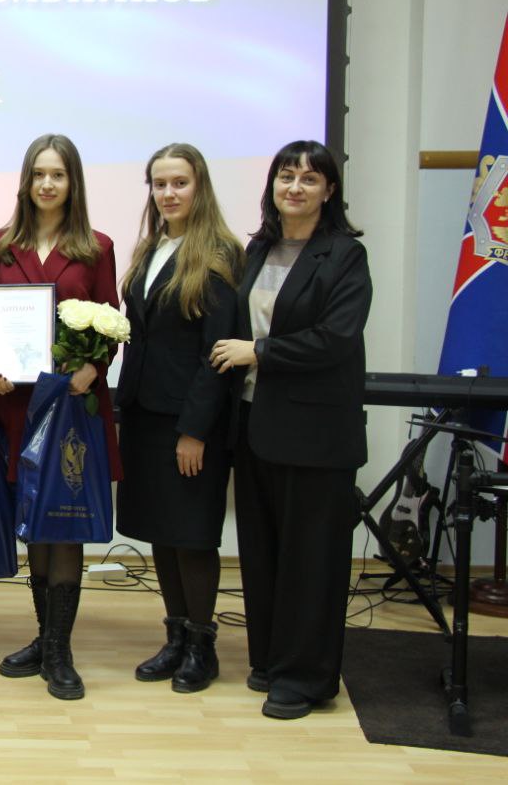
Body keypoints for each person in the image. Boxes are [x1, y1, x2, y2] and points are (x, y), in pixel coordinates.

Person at [210, 140, 371, 720]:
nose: (295, 187)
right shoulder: (259, 248)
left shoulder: (345, 255)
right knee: (263, 550)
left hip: (315, 433)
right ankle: (272, 659)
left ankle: (306, 678)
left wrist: (259, 351)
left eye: (308, 178)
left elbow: (335, 339)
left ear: (329, 190)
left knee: (311, 558)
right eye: (286, 176)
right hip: (255, 423)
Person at [0, 133, 121, 700]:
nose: (47, 184)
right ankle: (45, 639)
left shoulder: (96, 247)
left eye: (57, 175)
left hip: (71, 408)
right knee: (33, 523)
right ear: (25, 181)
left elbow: (111, 322)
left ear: (73, 183)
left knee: (64, 523)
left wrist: (94, 368)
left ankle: (61, 653)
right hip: (17, 407)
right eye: (38, 174)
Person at [114, 143, 244, 693]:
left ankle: (201, 647)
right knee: (161, 533)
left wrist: (195, 430)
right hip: (143, 414)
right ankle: (174, 638)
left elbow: (217, 355)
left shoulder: (218, 255)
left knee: (192, 535)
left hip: (188, 422)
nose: (168, 193)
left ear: (200, 187)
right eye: (160, 184)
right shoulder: (152, 247)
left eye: (179, 183)